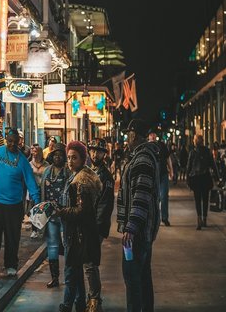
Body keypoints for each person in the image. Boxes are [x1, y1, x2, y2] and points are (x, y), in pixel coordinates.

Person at [0, 128, 40, 277]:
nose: (12, 144)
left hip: (14, 205)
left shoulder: (23, 161)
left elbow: (31, 182)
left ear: (19, 142)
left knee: (12, 237)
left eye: (15, 142)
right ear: (6, 139)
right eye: (10, 141)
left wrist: (36, 201)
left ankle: (11, 265)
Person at [117, 119, 161, 312]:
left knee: (133, 278)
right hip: (144, 230)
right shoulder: (141, 156)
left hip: (139, 232)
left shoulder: (142, 159)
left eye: (129, 134)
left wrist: (131, 227)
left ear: (135, 135)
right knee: (142, 277)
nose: (127, 138)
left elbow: (141, 196)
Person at [56, 141, 102, 312]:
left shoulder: (81, 180)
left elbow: (82, 210)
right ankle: (80, 304)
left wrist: (61, 212)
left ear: (83, 159)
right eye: (68, 157)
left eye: (74, 158)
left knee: (76, 270)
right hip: (76, 232)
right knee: (75, 272)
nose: (70, 161)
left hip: (78, 233)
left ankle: (81, 304)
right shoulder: (78, 175)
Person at [41, 143, 69, 288]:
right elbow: (42, 192)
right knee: (52, 245)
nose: (58, 157)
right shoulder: (47, 172)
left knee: (67, 245)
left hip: (65, 215)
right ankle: (55, 277)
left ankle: (69, 276)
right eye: (55, 155)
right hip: (51, 215)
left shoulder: (68, 172)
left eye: (60, 155)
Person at [187, 134, 218, 230]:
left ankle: (199, 219)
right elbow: (213, 165)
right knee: (205, 199)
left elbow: (189, 167)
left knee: (197, 200)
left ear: (196, 141)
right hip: (205, 177)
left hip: (196, 178)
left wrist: (188, 178)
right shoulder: (207, 151)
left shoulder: (193, 152)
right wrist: (217, 177)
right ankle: (204, 219)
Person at [88, 138, 115, 243]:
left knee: (92, 255)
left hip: (96, 225)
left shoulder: (106, 176)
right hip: (86, 223)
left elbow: (105, 205)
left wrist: (98, 226)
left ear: (104, 154)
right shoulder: (87, 171)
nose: (95, 154)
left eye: (99, 152)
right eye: (93, 151)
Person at [148, 128, 173, 226]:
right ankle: (154, 218)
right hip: (151, 175)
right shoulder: (146, 147)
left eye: (154, 134)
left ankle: (164, 218)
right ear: (148, 136)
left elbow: (168, 158)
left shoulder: (162, 145)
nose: (153, 136)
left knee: (164, 197)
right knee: (154, 198)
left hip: (163, 174)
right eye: (151, 134)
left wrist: (171, 171)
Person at [29, 144, 49, 238]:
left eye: (36, 152)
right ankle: (34, 230)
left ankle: (43, 229)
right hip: (33, 190)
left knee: (43, 210)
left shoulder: (47, 165)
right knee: (33, 210)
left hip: (43, 190)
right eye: (33, 153)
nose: (34, 154)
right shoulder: (29, 164)